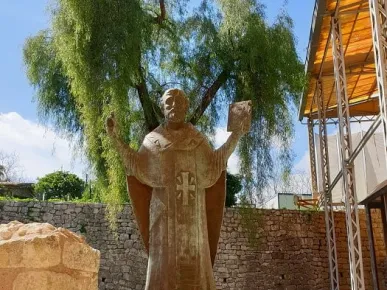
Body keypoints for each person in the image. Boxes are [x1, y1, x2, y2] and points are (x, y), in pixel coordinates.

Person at [106, 88, 249, 289]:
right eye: (169, 102)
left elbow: (215, 164)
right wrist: (114, 138)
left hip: (194, 219)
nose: (174, 106)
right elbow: (135, 164)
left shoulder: (197, 140)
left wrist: (236, 134)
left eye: (179, 102)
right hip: (164, 218)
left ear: (186, 107)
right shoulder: (153, 141)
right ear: (163, 109)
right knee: (163, 268)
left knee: (195, 268)